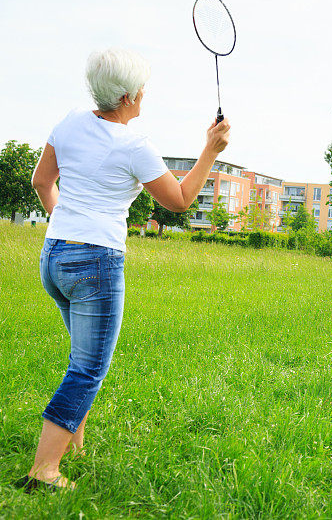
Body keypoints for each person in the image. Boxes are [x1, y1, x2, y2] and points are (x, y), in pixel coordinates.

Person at [17, 48, 231, 492]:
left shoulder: (70, 120)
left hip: (54, 256)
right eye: (142, 89)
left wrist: (67, 228)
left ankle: (73, 445)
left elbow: (42, 182)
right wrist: (210, 151)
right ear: (129, 96)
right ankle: (45, 470)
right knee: (88, 369)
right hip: (95, 262)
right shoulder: (135, 146)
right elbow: (180, 200)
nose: (145, 95)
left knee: (82, 359)